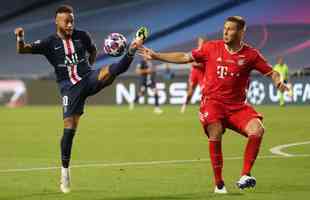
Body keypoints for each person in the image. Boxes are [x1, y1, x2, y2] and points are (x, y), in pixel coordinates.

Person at [139, 16, 288, 194]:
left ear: (241, 32)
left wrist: (278, 81)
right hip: (212, 102)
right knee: (215, 130)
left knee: (258, 129)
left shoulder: (251, 55)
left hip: (237, 107)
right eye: (225, 28)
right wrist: (157, 56)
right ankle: (219, 184)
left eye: (230, 29)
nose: (225, 31)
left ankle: (245, 175)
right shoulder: (211, 48)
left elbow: (272, 72)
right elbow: (185, 57)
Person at [14, 5, 146, 194]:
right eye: (66, 21)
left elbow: (92, 50)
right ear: (57, 21)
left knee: (112, 71)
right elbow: (23, 50)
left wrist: (91, 62)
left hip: (88, 77)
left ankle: (132, 49)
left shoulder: (82, 35)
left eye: (72, 21)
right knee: (69, 128)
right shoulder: (49, 43)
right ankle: (65, 171)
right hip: (69, 88)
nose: (70, 25)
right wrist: (20, 37)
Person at [181, 37, 206, 113]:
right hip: (194, 73)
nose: (201, 43)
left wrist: (198, 64)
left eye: (203, 41)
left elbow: (204, 65)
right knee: (191, 91)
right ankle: (184, 105)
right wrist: (196, 64)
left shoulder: (206, 52)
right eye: (200, 41)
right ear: (198, 42)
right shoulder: (195, 51)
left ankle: (204, 108)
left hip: (202, 73)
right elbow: (190, 62)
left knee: (204, 91)